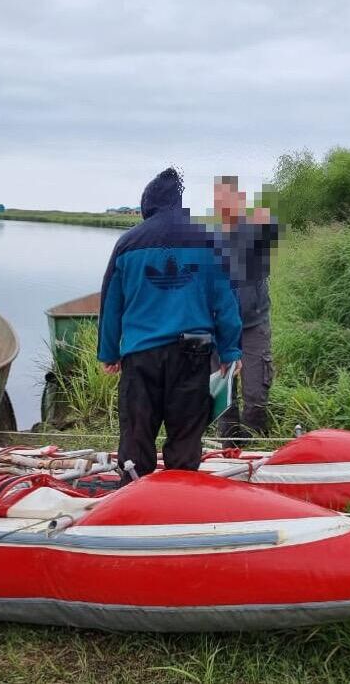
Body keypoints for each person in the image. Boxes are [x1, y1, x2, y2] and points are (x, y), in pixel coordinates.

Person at [98, 167, 243, 483]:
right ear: (179, 203)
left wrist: (109, 353)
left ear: (147, 205)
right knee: (186, 434)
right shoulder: (210, 242)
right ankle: (180, 499)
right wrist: (230, 351)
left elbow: (111, 304)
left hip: (141, 355)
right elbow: (226, 304)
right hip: (193, 353)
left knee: (137, 433)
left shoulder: (127, 243)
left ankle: (134, 496)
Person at [211, 175, 280, 443]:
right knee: (224, 394)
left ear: (240, 200)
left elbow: (271, 232)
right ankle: (228, 448)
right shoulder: (212, 239)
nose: (223, 203)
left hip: (253, 325)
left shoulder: (255, 229)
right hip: (221, 328)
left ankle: (256, 446)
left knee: (255, 396)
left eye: (228, 197)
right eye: (219, 198)